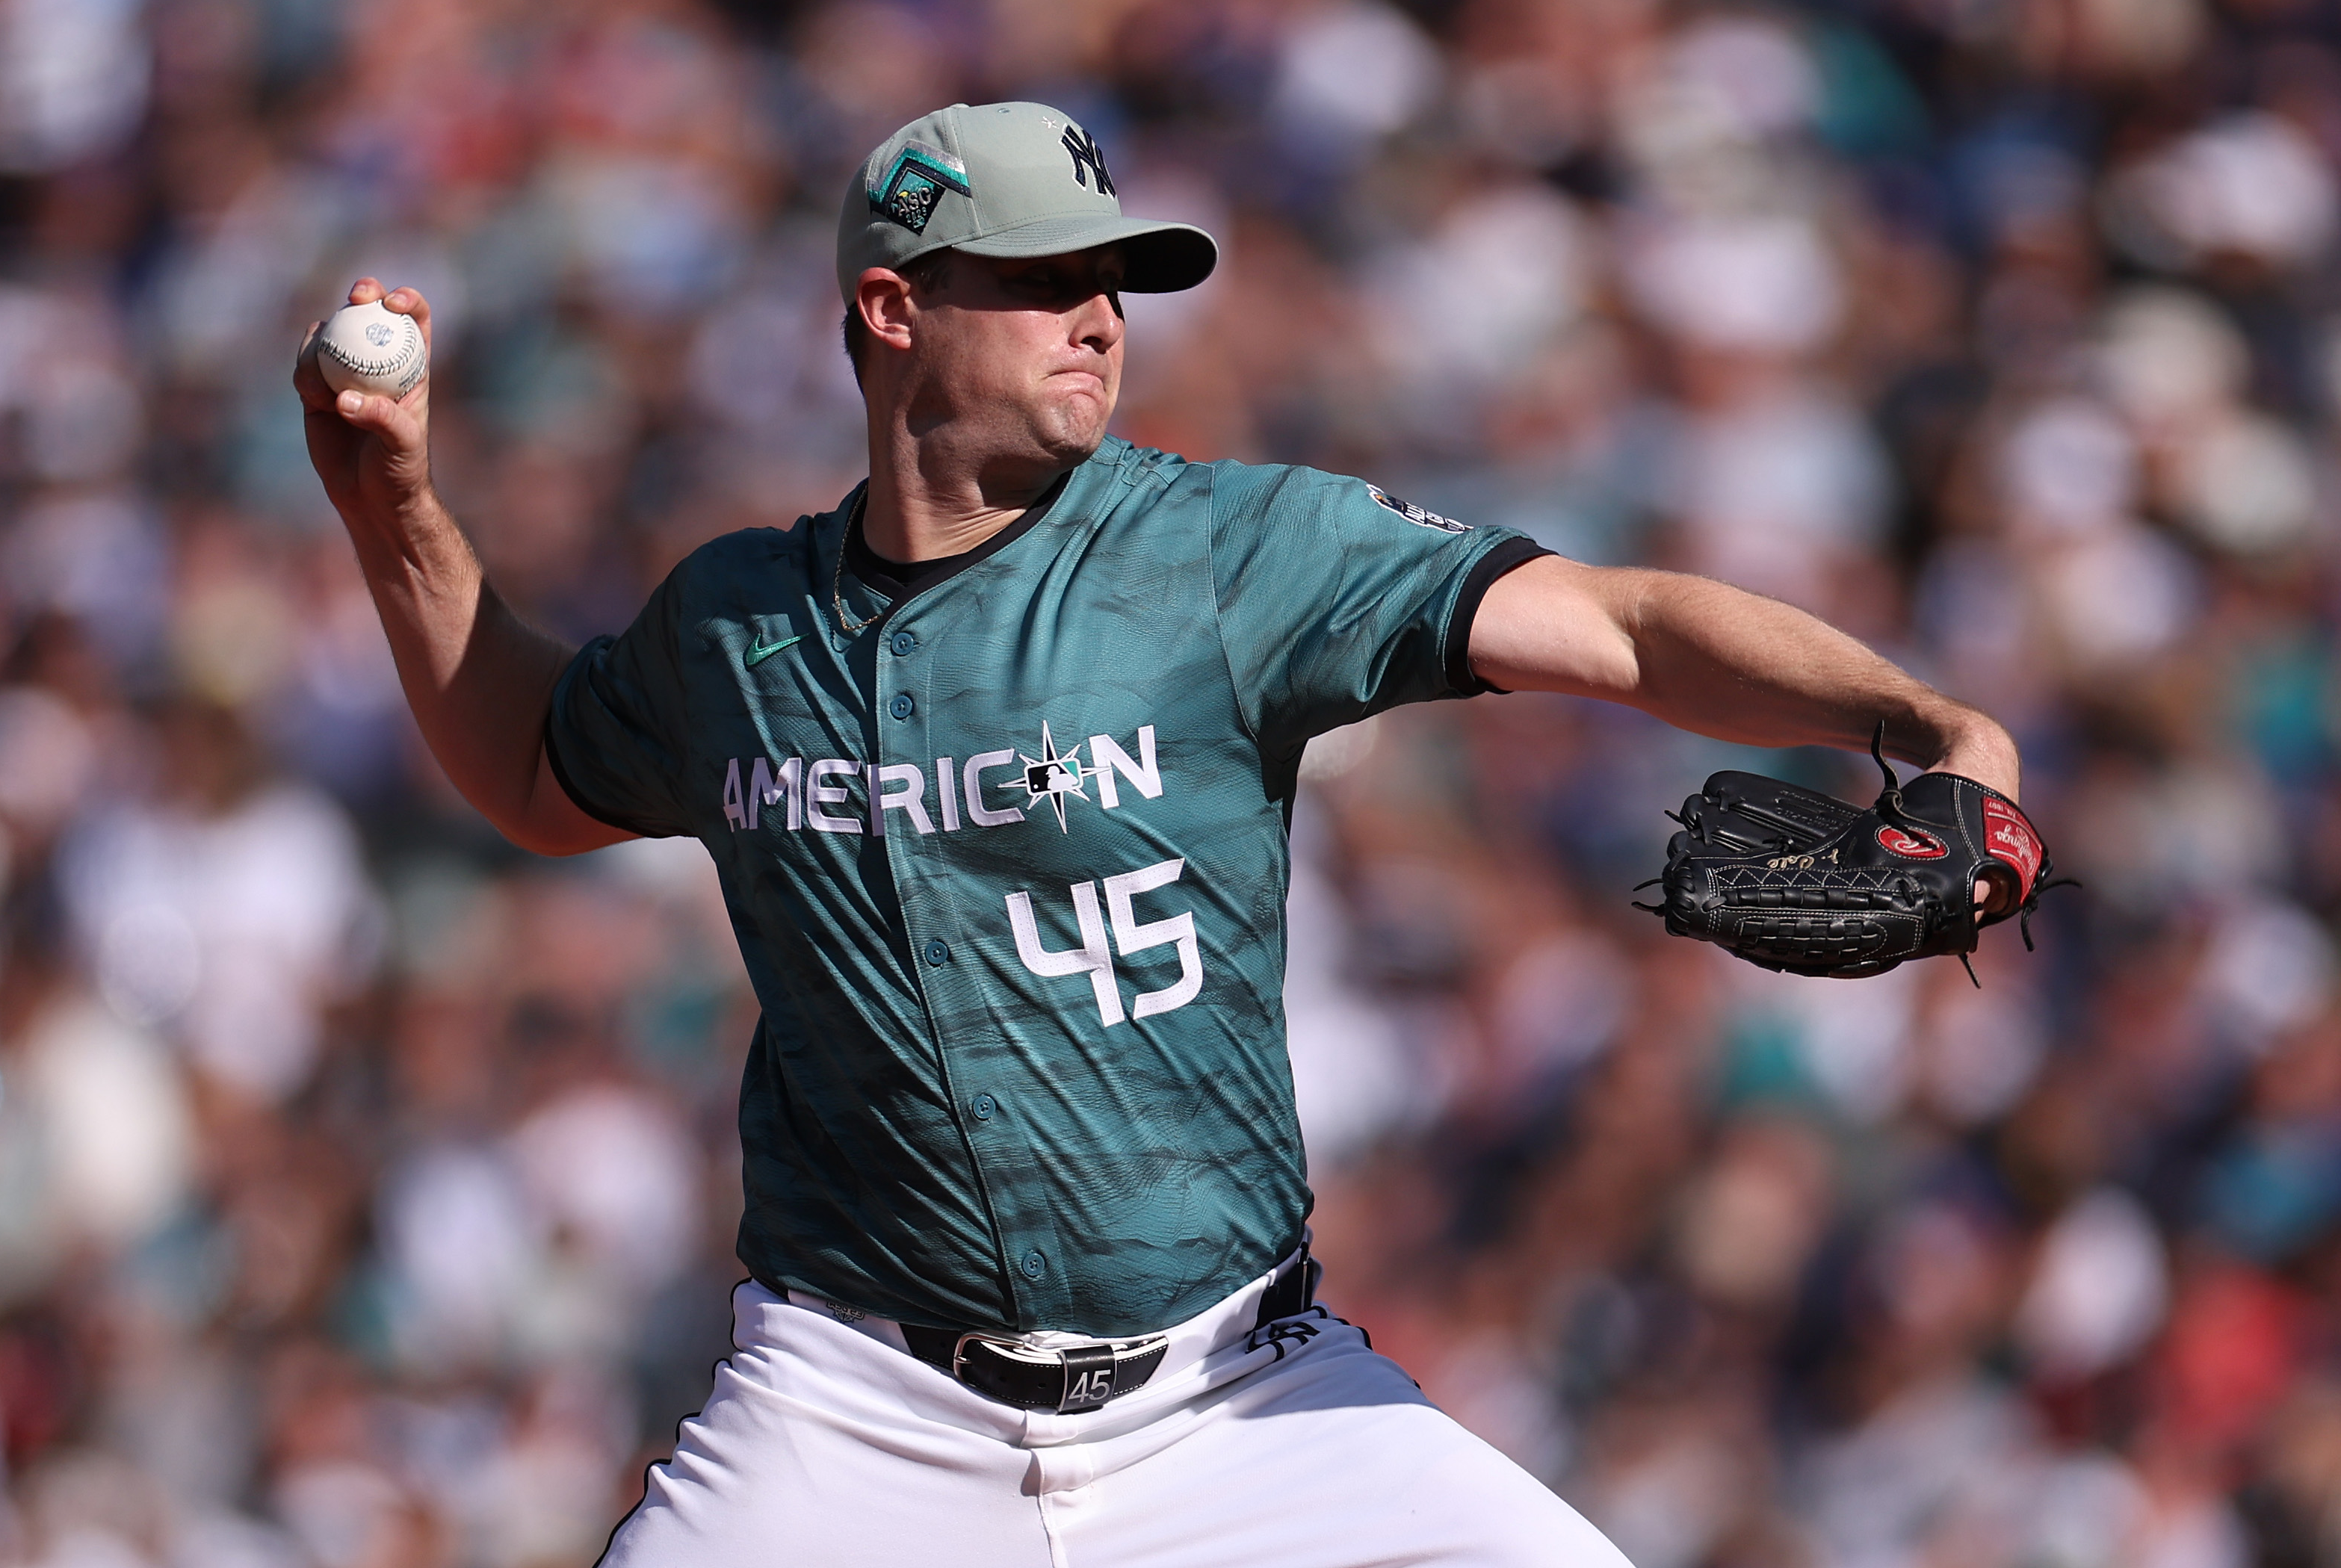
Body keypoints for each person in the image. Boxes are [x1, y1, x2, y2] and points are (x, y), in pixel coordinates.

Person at [297, 102, 2020, 1567]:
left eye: (1111, 279)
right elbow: (530, 762)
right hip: (853, 1407)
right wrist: (395, 511)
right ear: (892, 309)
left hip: (1243, 1396)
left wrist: (1930, 727)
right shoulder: (738, 626)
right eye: (1046, 279)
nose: (1101, 315)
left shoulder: (1225, 551)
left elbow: (1624, 626)